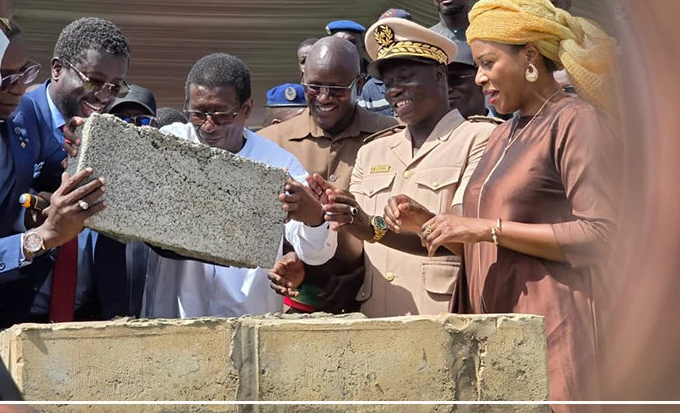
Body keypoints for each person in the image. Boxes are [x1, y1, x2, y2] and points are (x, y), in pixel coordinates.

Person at [389, 0, 618, 411]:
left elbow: (601, 233)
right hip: (497, 338)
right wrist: (429, 221)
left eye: (488, 63)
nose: (478, 78)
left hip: (553, 339)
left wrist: (483, 229)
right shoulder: (504, 132)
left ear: (529, 57)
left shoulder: (576, 123)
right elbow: (487, 244)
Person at [279, 18, 496, 318]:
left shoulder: (481, 139)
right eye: (389, 83)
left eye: (405, 77)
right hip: (376, 323)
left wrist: (373, 228)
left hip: (445, 320)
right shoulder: (372, 151)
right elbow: (354, 248)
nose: (394, 90)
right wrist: (324, 215)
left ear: (439, 74)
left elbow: (466, 238)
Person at [0, 0, 110, 333]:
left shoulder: (20, 122)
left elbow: (55, 175)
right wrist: (40, 237)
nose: (16, 89)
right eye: (1, 76)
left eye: (23, 73)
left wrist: (46, 202)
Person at [137, 53, 337, 318]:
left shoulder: (277, 163)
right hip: (174, 317)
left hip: (247, 319)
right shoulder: (169, 145)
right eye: (198, 114)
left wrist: (313, 218)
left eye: (221, 115)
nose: (208, 126)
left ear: (246, 109)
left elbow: (315, 254)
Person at [257, 37, 395, 313]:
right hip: (292, 305)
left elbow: (397, 220)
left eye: (336, 88)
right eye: (314, 86)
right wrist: (292, 260)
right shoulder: (269, 143)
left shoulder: (392, 137)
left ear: (358, 84)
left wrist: (364, 276)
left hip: (374, 303)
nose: (323, 97)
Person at [16, 17, 136, 324]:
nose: (104, 96)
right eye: (94, 81)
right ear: (57, 68)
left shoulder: (115, 135)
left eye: (115, 86)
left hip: (91, 319)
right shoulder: (15, 118)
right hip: (18, 314)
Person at [327, 19, 392, 117]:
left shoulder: (382, 80)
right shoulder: (323, 87)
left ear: (364, 47)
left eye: (351, 42)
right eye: (338, 44)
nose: (345, 48)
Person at [531, 0, 577, 92]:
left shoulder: (584, 39)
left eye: (553, 4)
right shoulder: (526, 42)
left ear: (567, 3)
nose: (547, 10)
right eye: (540, 5)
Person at [446, 38, 490, 119]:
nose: (447, 88)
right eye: (441, 80)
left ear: (482, 80)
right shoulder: (430, 131)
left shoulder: (506, 130)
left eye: (455, 79)